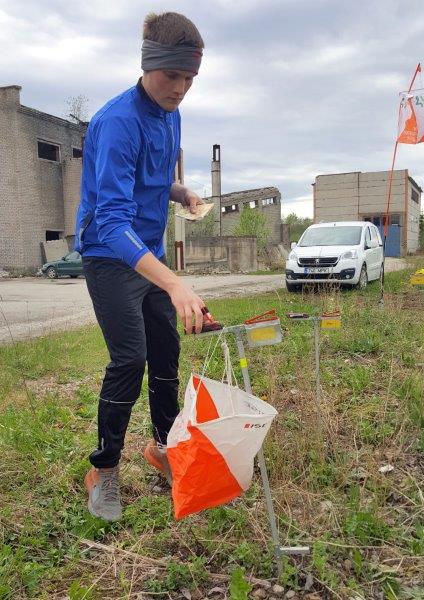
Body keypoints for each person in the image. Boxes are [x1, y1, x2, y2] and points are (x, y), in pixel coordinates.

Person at [74, 12, 206, 521]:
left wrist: (180, 191)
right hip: (109, 256)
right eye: (172, 75)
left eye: (190, 78)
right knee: (130, 360)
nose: (181, 88)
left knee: (166, 353)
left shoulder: (172, 115)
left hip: (148, 252)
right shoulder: (115, 122)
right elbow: (110, 220)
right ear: (149, 64)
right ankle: (104, 470)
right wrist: (175, 284)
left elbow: (149, 180)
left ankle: (163, 449)